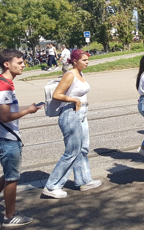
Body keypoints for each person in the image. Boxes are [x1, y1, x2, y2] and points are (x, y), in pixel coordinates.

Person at [43, 50, 102, 199]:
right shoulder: (70, 75)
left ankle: (84, 180)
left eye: (87, 60)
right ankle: (52, 185)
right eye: (84, 60)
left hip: (81, 113)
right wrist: (75, 100)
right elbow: (57, 94)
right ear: (74, 61)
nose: (87, 62)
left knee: (83, 148)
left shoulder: (81, 74)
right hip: (70, 114)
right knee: (72, 152)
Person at [0, 49, 42, 227]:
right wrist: (28, 111)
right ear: (7, 64)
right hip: (7, 139)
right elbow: (4, 116)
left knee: (9, 175)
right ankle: (10, 217)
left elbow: (9, 110)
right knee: (12, 178)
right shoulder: (4, 86)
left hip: (6, 137)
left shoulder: (6, 83)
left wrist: (28, 106)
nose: (24, 65)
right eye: (19, 62)